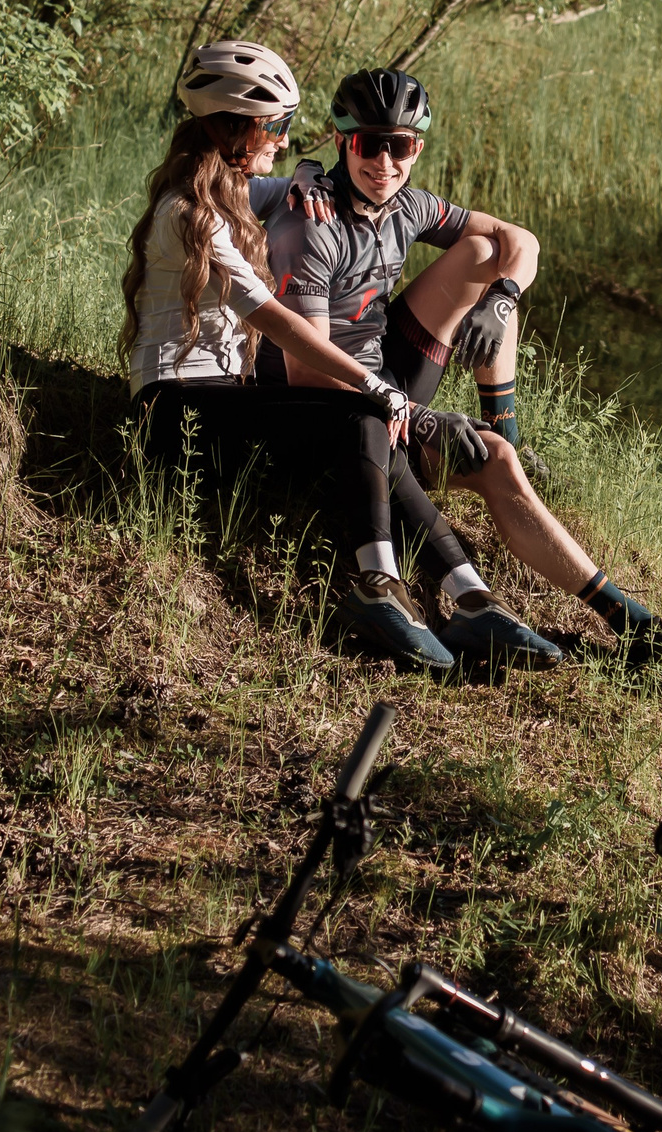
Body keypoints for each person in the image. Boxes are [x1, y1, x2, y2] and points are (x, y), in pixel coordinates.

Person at [258, 68, 662, 682]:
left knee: (486, 255)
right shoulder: (309, 223)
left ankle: (637, 629)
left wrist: (503, 298)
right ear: (343, 142)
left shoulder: (409, 207)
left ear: (417, 148)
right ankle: (598, 608)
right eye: (369, 143)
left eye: (399, 145)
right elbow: (308, 374)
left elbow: (521, 239)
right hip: (330, 416)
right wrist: (421, 418)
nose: (383, 160)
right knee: (495, 464)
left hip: (387, 387)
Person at [121, 40, 465, 672]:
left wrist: (308, 172)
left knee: (362, 422)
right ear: (234, 130)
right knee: (358, 409)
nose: (282, 139)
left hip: (222, 401)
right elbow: (276, 321)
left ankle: (464, 591)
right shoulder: (191, 214)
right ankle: (377, 586)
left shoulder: (234, 191)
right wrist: (381, 386)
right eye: (273, 127)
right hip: (173, 412)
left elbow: (311, 179)